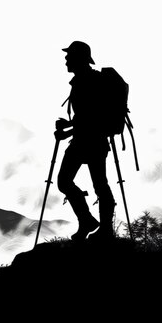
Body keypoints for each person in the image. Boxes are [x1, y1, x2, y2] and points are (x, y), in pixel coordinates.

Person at [54, 41, 116, 242]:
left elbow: (90, 117)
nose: (65, 60)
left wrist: (67, 132)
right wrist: (70, 126)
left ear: (78, 58)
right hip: (92, 141)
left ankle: (95, 224)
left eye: (69, 56)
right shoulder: (87, 79)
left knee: (67, 181)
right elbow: (86, 117)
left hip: (88, 141)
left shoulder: (86, 81)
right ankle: (96, 225)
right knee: (99, 184)